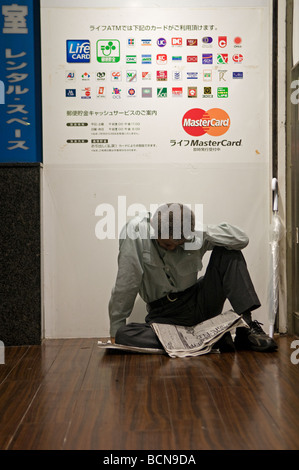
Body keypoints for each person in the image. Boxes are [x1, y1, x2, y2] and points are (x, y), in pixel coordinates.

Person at [108, 203, 277, 353]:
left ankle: (245, 328)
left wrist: (200, 231)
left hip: (199, 303)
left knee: (228, 251)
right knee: (124, 334)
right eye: (167, 244)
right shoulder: (136, 232)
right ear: (154, 229)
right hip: (164, 314)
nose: (173, 249)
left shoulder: (193, 234)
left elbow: (241, 239)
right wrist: (116, 329)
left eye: (179, 244)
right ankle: (207, 338)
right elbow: (126, 283)